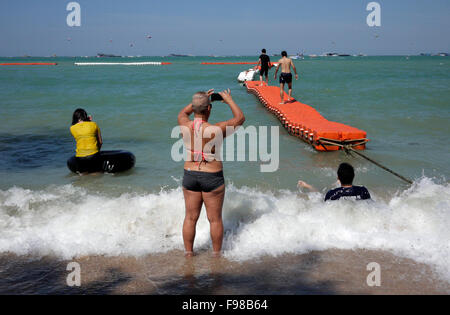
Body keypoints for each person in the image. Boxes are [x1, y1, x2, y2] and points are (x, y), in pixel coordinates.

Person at [178, 89, 245, 257]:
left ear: (193, 109)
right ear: (209, 109)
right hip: (212, 176)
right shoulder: (217, 129)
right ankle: (216, 256)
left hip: (190, 173)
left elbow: (183, 112)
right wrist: (228, 99)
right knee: (214, 219)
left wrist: (200, 101)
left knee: (190, 218)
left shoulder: (184, 124)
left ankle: (188, 253)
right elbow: (240, 118)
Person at [298, 163, 371, 201]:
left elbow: (320, 200)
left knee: (319, 196)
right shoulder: (363, 190)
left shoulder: (332, 193)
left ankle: (308, 186)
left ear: (338, 178)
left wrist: (308, 186)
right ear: (354, 176)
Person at [70, 108, 103, 173]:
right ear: (85, 116)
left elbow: (82, 136)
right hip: (93, 155)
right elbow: (100, 142)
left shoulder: (72, 128)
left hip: (80, 157)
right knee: (96, 175)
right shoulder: (94, 124)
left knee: (84, 176)